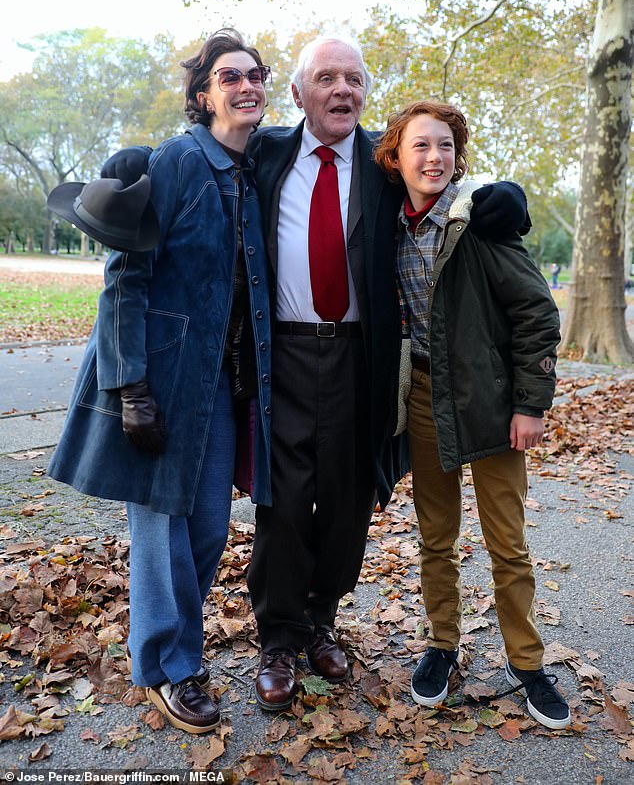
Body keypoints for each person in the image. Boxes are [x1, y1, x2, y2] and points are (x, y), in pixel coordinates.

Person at [101, 36, 531, 713]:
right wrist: (132, 163)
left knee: (346, 499)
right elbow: (202, 145)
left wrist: (499, 195)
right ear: (297, 94)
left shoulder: (384, 165)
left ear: (364, 94)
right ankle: (276, 637)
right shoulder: (265, 154)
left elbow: (442, 176)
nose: (341, 90)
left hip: (363, 355)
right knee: (283, 496)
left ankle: (321, 620)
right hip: (283, 355)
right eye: (325, 78)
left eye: (353, 80)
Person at [46, 28, 273, 734]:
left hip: (221, 387)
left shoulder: (255, 170)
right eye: (228, 77)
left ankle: (174, 645)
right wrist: (130, 388)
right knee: (158, 532)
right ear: (202, 96)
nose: (245, 85)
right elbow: (125, 275)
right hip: (158, 378)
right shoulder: (174, 163)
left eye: (255, 74)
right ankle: (171, 666)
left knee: (206, 528)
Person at [373, 100, 570, 730]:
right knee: (436, 538)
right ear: (395, 157)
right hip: (424, 401)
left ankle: (526, 661)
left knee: (506, 543)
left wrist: (530, 404)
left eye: (446, 147)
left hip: (489, 405)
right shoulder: (387, 223)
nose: (435, 158)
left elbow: (537, 314)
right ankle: (442, 647)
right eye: (421, 146)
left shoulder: (480, 223)